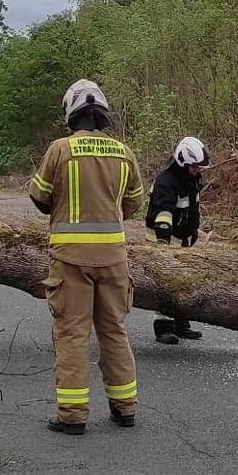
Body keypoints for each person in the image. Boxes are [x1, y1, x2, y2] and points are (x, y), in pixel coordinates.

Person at [29, 80, 149, 435]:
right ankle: (125, 408)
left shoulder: (59, 150)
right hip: (114, 260)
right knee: (114, 330)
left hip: (70, 261)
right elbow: (134, 203)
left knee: (72, 334)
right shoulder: (124, 153)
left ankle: (73, 415)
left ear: (70, 113)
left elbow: (39, 197)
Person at [146, 136, 208, 345]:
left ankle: (182, 324)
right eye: (195, 167)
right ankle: (163, 326)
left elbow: (192, 208)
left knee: (184, 283)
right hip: (165, 239)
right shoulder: (166, 181)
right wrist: (163, 245)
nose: (198, 171)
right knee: (165, 285)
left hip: (183, 239)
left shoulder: (192, 179)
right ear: (182, 162)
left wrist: (194, 231)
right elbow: (163, 212)